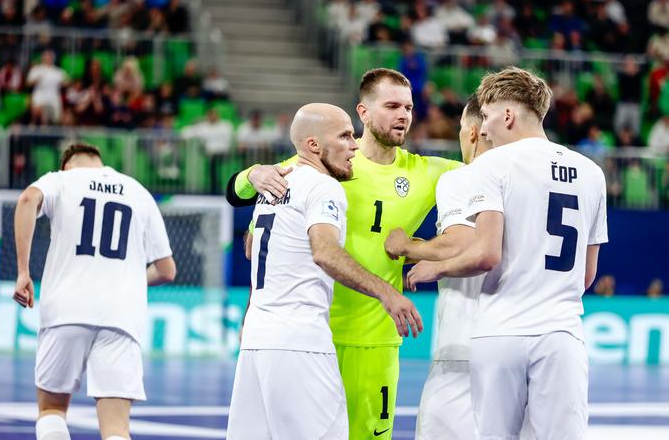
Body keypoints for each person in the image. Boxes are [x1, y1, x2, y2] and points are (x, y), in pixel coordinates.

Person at [228, 68, 462, 439]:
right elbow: (244, 206)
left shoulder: (427, 171)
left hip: (373, 340)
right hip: (316, 332)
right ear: (363, 112)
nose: (403, 115)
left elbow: (491, 177)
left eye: (408, 107)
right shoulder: (326, 167)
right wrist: (253, 173)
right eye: (392, 106)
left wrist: (420, 250)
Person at [406, 67, 608, 439]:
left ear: (508, 115)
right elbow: (586, 275)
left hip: (500, 331)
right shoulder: (592, 172)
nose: (482, 128)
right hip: (562, 333)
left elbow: (486, 254)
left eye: (486, 116)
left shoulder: (491, 165)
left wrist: (434, 267)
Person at [384, 94, 533, 440]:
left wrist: (408, 247)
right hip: (521, 346)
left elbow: (462, 242)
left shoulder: (466, 177)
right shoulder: (530, 182)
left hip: (465, 347)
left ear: (473, 133)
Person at [13, 143, 176, 440]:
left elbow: (26, 199)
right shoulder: (138, 191)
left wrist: (23, 272)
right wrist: (129, 279)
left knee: (51, 411)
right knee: (116, 430)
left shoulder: (61, 180)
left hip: (66, 310)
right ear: (99, 162)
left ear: (67, 165)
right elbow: (167, 270)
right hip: (122, 316)